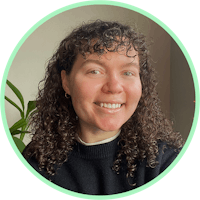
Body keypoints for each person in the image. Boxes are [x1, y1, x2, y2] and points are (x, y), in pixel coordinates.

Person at [23, 20, 184, 195]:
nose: (114, 87)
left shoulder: (166, 161)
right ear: (66, 82)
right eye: (95, 71)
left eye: (128, 73)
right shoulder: (36, 160)